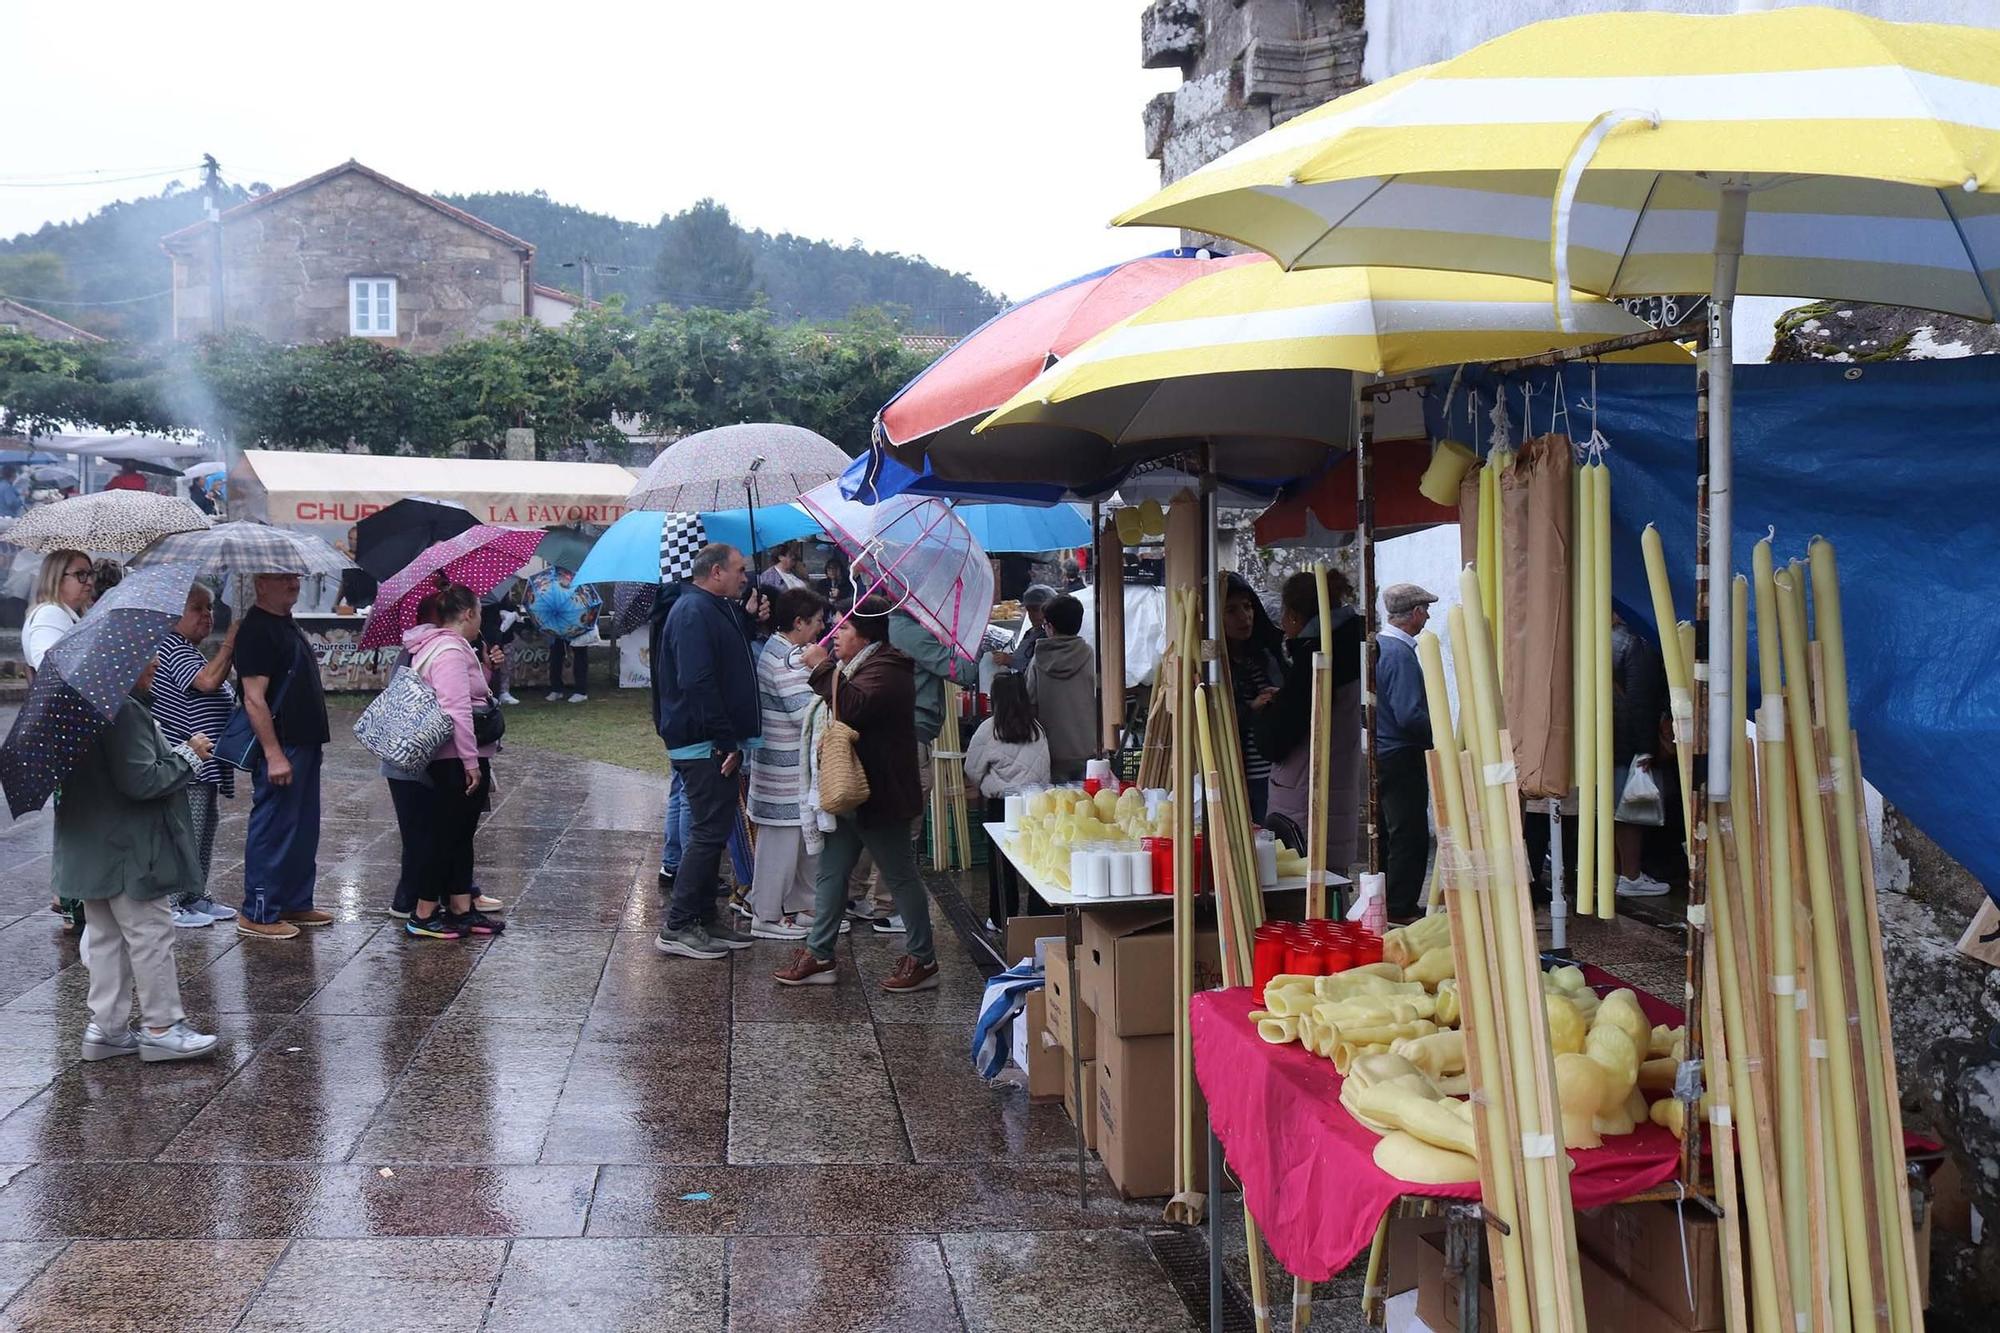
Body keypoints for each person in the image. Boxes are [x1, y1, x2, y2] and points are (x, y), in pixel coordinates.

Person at [774, 594, 940, 992]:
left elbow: (850, 705)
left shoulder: (889, 667)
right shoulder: (860, 664)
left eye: (843, 627)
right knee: (832, 871)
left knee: (900, 876)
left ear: (865, 635)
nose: (835, 634)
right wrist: (828, 669)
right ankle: (820, 954)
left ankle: (924, 959)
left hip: (881, 795)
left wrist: (821, 667)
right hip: (848, 791)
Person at [59, 655, 219, 1064]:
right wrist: (189, 754)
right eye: (147, 657)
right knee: (151, 933)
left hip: (94, 847)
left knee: (106, 939)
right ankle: (162, 1027)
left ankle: (106, 1029)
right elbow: (141, 780)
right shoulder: (125, 710)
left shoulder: (85, 705)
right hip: (130, 850)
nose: (155, 664)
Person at [653, 543, 762, 960]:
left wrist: (747, 617)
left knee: (713, 831)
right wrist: (724, 739)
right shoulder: (692, 611)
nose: (744, 577)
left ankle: (703, 917)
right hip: (703, 741)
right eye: (739, 570)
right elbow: (697, 680)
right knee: (707, 831)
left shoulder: (713, 607)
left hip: (711, 739)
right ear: (716, 572)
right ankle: (679, 924)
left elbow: (726, 658)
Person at [858, 608, 980, 933]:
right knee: (904, 821)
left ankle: (854, 895)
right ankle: (888, 906)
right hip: (909, 736)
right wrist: (972, 643)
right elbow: (962, 671)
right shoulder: (908, 631)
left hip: (886, 733)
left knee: (875, 819)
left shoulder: (879, 625)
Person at [401, 584, 507, 940]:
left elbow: (469, 693)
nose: (481, 621)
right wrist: (470, 762)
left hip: (458, 756)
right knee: (445, 837)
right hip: (454, 759)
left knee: (461, 835)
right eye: (480, 613)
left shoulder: (449, 647)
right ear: (467, 614)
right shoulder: (448, 650)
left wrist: (486, 669)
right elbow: (456, 709)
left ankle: (461, 907)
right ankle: (423, 913)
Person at [234, 571, 334, 940]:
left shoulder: (285, 623)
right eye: (283, 578)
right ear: (261, 584)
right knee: (274, 826)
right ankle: (259, 911)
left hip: (304, 741)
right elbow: (253, 698)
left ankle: (293, 900)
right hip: (283, 744)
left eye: (295, 577)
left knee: (302, 828)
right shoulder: (257, 630)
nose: (293, 583)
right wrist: (273, 753)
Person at [1257, 570, 1364, 869]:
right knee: (1332, 877)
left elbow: (1277, 738)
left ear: (1293, 616)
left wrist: (1265, 712)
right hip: (1333, 788)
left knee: (1311, 880)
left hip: (1306, 800)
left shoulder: (1316, 659)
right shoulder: (1350, 646)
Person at [152, 583, 242, 928]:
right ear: (173, 615)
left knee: (203, 830)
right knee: (185, 832)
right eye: (197, 608)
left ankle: (194, 894)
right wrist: (230, 642)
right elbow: (206, 682)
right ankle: (173, 901)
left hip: (203, 764)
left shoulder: (187, 648)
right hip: (187, 763)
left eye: (210, 608)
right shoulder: (172, 646)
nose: (207, 615)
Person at [746, 586, 831, 939]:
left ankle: (803, 905)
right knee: (779, 848)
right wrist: (825, 671)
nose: (821, 629)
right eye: (817, 622)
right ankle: (765, 914)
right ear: (798, 622)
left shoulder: (781, 649)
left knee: (800, 841)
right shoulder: (788, 659)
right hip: (783, 772)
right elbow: (806, 714)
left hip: (785, 770)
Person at [965, 671, 1049, 930]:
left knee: (1001, 864)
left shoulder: (988, 729)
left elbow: (972, 769)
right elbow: (1044, 770)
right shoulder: (1037, 730)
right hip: (1034, 804)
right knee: (1036, 860)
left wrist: (989, 785)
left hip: (1001, 805)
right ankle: (1040, 916)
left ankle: (1002, 917)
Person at [1376, 583, 1438, 922]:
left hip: (1383, 750)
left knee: (1391, 831)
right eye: (1425, 611)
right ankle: (1400, 906)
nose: (1427, 617)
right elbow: (1409, 714)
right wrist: (1439, 735)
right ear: (1415, 613)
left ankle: (1389, 901)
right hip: (1402, 753)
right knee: (1409, 833)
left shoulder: (1380, 647)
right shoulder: (1400, 655)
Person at [1611, 613, 1673, 899]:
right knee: (1632, 812)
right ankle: (1631, 876)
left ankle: (1617, 873)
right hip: (1630, 743)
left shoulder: (1605, 639)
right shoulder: (1637, 642)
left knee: (1616, 810)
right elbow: (1641, 699)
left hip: (1610, 740)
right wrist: (1646, 748)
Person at [1222, 574, 1287, 824]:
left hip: (1275, 772)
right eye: (1231, 610)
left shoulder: (1264, 657)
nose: (1244, 617)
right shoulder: (1217, 668)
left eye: (1247, 606)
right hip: (1240, 777)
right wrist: (1251, 708)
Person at [1026, 593, 1097, 784]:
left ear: (1049, 627)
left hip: (1050, 752)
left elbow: (1029, 704)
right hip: (1089, 751)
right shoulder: (1092, 657)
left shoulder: (1037, 661)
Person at [23, 549, 94, 676]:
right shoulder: (50, 614)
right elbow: (53, 669)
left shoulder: (65, 613)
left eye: (90, 574)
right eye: (81, 574)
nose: (90, 582)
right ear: (57, 578)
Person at [542, 568, 592, 704]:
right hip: (558, 618)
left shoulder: (584, 574)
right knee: (556, 654)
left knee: (580, 654)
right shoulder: (554, 574)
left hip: (577, 619)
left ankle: (581, 691)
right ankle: (556, 688)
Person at [994, 583, 1057, 674]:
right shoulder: (1031, 632)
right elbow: (1021, 655)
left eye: (1035, 610)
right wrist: (1006, 657)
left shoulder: (1050, 637)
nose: (1031, 615)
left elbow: (1040, 670)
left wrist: (1011, 661)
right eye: (1029, 610)